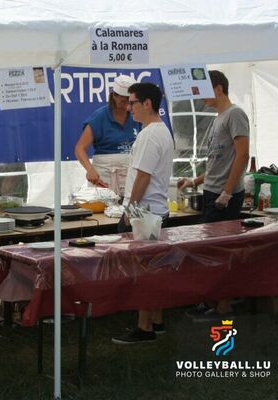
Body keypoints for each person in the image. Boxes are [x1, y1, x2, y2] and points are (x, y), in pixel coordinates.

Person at [178, 70, 250, 322]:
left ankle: (222, 307)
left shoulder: (235, 114)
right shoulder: (218, 118)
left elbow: (242, 154)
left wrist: (228, 192)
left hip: (224, 195)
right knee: (210, 251)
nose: (200, 96)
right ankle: (211, 301)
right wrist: (194, 181)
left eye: (203, 89)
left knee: (220, 252)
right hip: (212, 192)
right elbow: (216, 161)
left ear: (218, 88)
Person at [111, 82, 175, 345]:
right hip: (155, 210)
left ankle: (144, 327)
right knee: (155, 269)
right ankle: (156, 321)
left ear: (147, 104)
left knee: (144, 271)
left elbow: (143, 177)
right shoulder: (162, 131)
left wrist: (130, 210)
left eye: (132, 102)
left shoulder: (149, 135)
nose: (129, 107)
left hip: (144, 212)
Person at [74, 74, 140, 196]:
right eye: (123, 101)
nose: (127, 105)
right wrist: (90, 170)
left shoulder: (136, 116)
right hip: (103, 176)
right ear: (114, 96)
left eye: (130, 101)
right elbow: (80, 148)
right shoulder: (99, 117)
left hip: (130, 174)